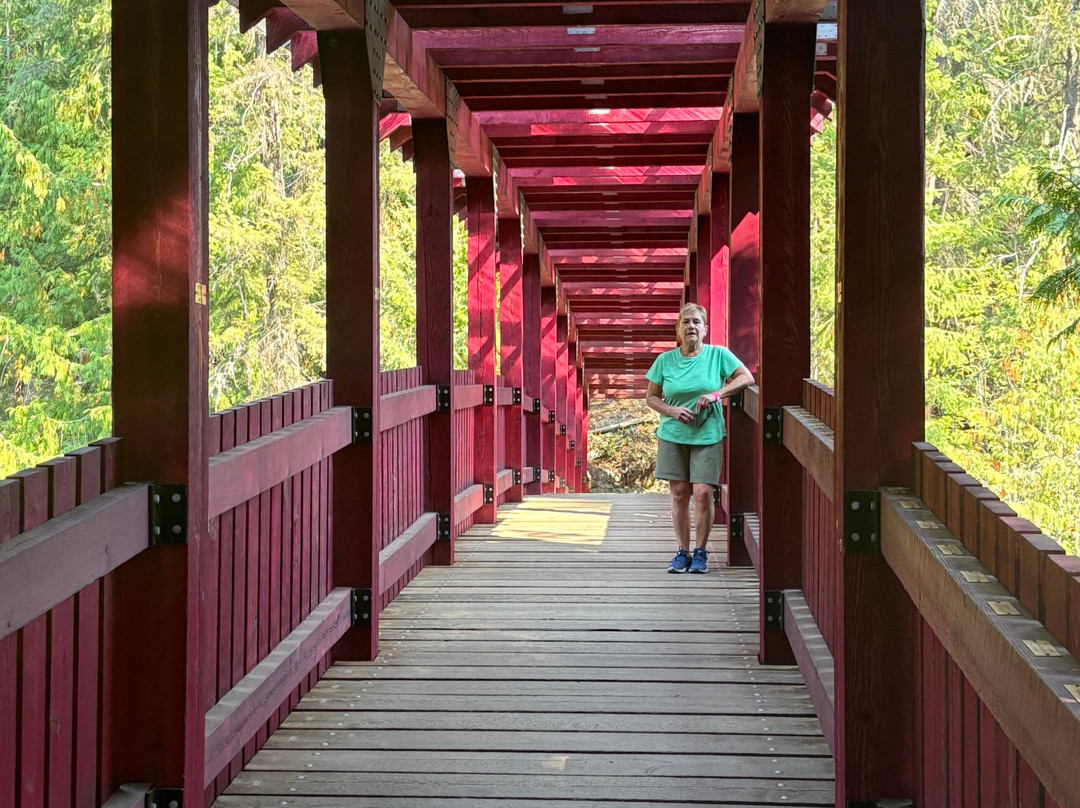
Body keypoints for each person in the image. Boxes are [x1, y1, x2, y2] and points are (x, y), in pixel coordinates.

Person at [644, 303, 754, 573]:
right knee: (679, 494)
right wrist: (672, 410)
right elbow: (651, 397)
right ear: (678, 330)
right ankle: (682, 552)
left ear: (705, 329)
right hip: (673, 434)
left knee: (704, 493)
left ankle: (701, 553)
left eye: (696, 322)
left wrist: (717, 394)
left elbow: (746, 378)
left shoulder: (718, 355)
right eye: (686, 322)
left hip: (708, 433)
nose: (691, 326)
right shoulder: (664, 361)